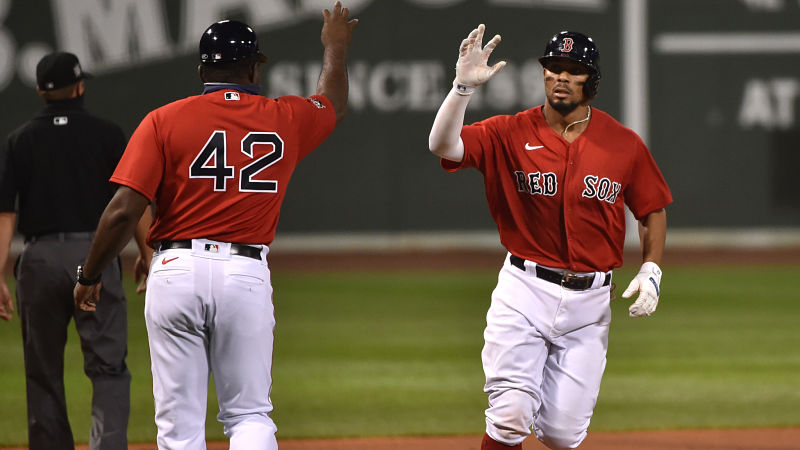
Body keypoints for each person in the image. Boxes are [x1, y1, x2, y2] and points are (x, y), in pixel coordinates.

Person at [73, 3, 356, 448]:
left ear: (202, 69)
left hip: (175, 269)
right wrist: (335, 47)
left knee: (178, 426)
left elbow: (123, 210)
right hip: (245, 273)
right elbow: (332, 103)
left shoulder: (163, 119)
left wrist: (89, 275)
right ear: (254, 69)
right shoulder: (285, 117)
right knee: (249, 415)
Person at [428, 26, 672, 449]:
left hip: (590, 304)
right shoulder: (508, 132)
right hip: (524, 291)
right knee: (509, 417)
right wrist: (461, 89)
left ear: (592, 81)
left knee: (562, 435)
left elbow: (651, 208)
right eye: (554, 67)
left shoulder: (623, 144)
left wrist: (651, 268)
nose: (561, 76)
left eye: (573, 70)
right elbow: (443, 145)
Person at [0, 51, 152, 449]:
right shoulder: (107, 134)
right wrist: (149, 253)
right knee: (108, 368)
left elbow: (5, 215)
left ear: (40, 91)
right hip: (95, 258)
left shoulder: (19, 140)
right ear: (79, 86)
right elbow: (132, 201)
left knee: (42, 372)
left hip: (38, 261)